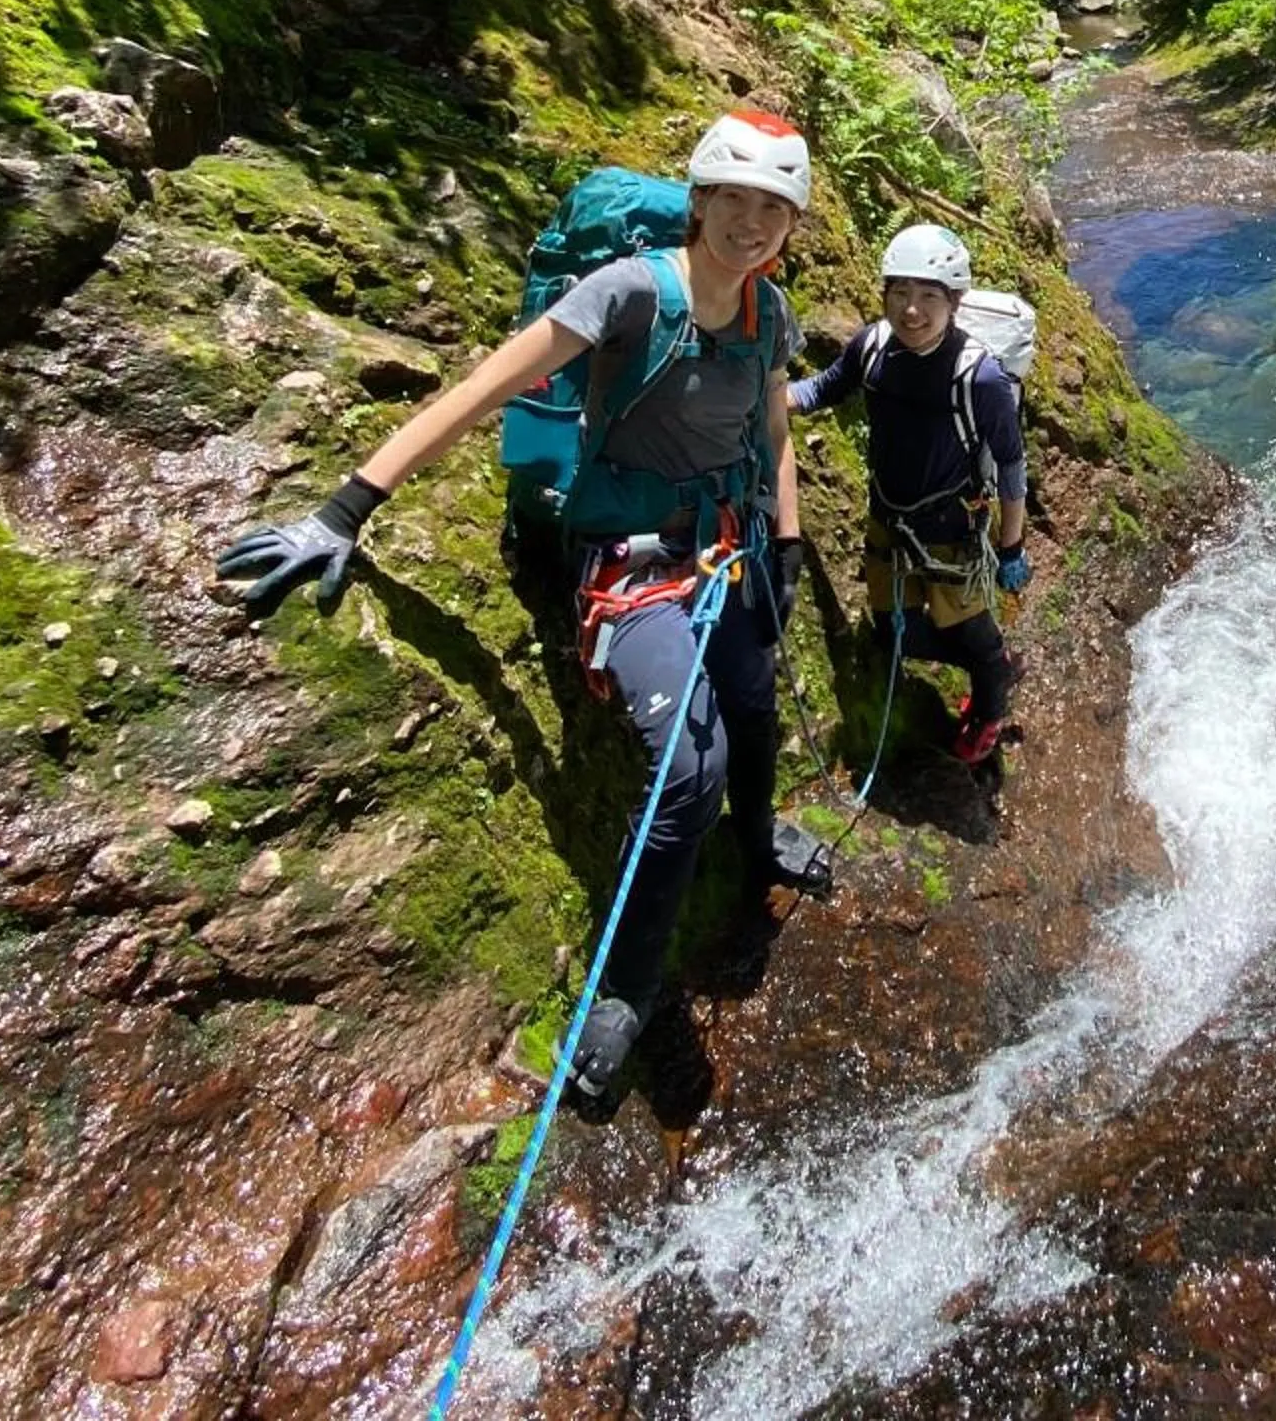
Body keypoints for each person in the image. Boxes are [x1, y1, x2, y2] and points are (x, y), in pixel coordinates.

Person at [214, 109, 829, 1097]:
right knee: (689, 766)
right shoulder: (631, 292)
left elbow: (771, 431)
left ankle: (758, 843)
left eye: (773, 209)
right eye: (734, 201)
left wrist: (787, 544)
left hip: (728, 549)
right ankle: (626, 993)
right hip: (630, 568)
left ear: (791, 224)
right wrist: (342, 513)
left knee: (754, 707)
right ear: (700, 200)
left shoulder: (770, 314)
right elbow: (483, 389)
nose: (751, 225)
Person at [790, 222, 1029, 767]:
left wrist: (1011, 547)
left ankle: (990, 702)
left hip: (952, 535)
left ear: (955, 302)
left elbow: (1011, 464)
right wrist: (773, 398)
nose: (911, 310)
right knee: (897, 635)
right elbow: (826, 386)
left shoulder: (981, 378)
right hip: (889, 524)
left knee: (974, 637)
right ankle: (990, 669)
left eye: (928, 297)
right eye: (899, 293)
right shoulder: (873, 346)